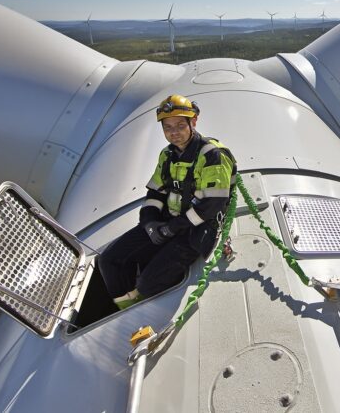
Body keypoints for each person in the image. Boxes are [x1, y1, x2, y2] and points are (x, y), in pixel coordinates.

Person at [98, 94, 236, 310]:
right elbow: (156, 192)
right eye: (168, 127)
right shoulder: (167, 155)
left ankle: (140, 299)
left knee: (148, 284)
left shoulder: (212, 155)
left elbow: (212, 205)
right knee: (108, 260)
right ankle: (126, 306)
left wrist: (172, 228)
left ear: (193, 122)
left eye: (180, 126)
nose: (174, 133)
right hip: (169, 221)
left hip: (197, 228)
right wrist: (149, 223)